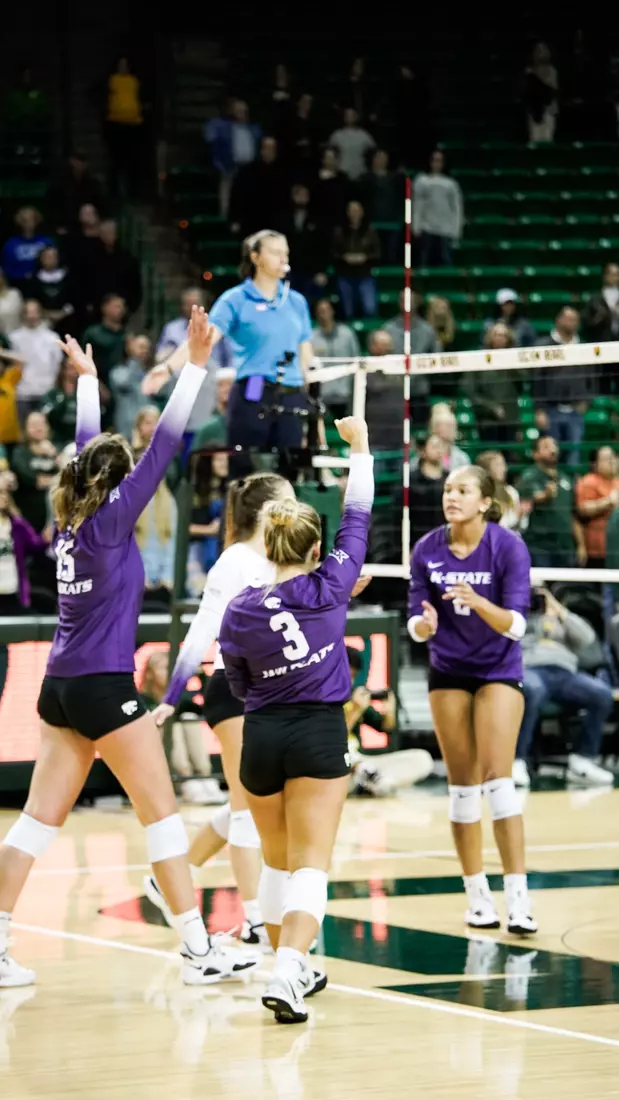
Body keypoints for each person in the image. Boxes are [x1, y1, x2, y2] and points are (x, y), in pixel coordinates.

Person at [0, 307, 258, 989]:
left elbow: (87, 446)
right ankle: (198, 951)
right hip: (104, 686)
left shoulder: (70, 519)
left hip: (58, 687)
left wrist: (87, 382)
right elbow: (167, 440)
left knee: (34, 824)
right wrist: (196, 363)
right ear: (121, 485)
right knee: (163, 817)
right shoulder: (114, 517)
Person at [218, 416, 374, 1024]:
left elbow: (235, 682)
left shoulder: (240, 608)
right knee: (311, 862)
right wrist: (359, 447)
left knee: (277, 863)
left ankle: (288, 963)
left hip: (260, 734)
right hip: (315, 731)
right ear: (314, 550)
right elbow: (357, 516)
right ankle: (286, 971)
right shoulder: (331, 584)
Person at [145, 469, 296, 950]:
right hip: (234, 691)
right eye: (289, 501)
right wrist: (171, 696)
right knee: (249, 811)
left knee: (249, 806)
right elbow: (201, 630)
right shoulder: (234, 560)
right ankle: (253, 918)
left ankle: (176, 873)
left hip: (275, 693)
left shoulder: (283, 558)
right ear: (270, 511)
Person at [407, 464, 536, 936]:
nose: (451, 496)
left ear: (485, 502)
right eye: (447, 489)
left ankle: (518, 901)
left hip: (498, 669)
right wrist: (425, 626)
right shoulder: (426, 548)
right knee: (462, 790)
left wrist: (479, 602)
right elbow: (414, 622)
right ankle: (477, 896)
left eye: (462, 490)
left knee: (498, 782)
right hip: (448, 670)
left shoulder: (507, 546)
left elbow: (518, 626)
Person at [143, 231, 315, 457]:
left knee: (291, 469)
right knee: (246, 468)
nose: (283, 259)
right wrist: (166, 368)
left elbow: (307, 358)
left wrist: (313, 404)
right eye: (275, 252)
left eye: (286, 253)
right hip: (253, 390)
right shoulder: (235, 299)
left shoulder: (297, 302)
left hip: (292, 395)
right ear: (255, 257)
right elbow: (202, 341)